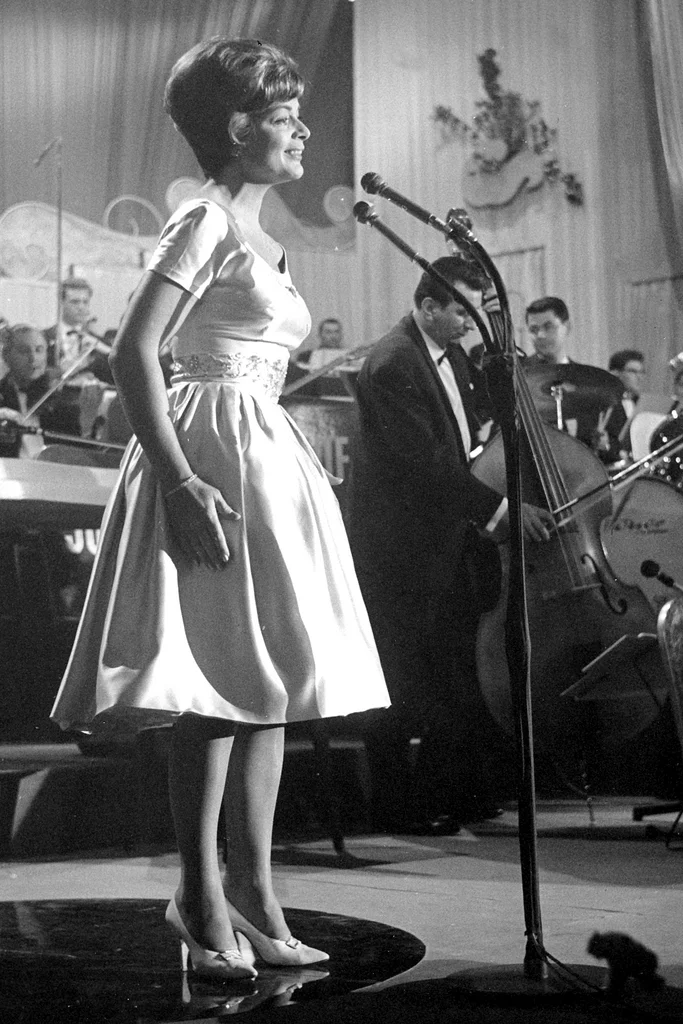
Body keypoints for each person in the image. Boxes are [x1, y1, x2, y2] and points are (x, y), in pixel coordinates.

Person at [51, 38, 389, 980]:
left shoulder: (259, 235)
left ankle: (253, 888)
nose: (302, 131)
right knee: (215, 680)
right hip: (210, 452)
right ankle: (200, 894)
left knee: (268, 679)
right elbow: (134, 352)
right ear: (238, 127)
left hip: (264, 453)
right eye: (285, 118)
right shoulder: (202, 220)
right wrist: (177, 479)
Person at [349, 255, 552, 835]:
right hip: (401, 548)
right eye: (460, 309)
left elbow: (467, 433)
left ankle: (451, 791)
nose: (469, 321)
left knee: (455, 671)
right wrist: (502, 509)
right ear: (428, 306)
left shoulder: (450, 351)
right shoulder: (393, 362)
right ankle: (396, 807)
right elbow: (427, 465)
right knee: (401, 678)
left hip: (443, 538)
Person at [524, 296, 622, 448]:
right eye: (534, 330)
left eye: (548, 327)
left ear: (567, 327)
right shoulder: (519, 376)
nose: (541, 335)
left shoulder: (593, 381)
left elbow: (616, 442)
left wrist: (605, 444)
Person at [0, 324, 81, 457]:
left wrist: (86, 423)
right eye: (24, 351)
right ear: (6, 356)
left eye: (39, 350)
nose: (33, 358)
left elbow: (76, 452)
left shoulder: (60, 398)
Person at [43, 277, 110, 377]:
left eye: (85, 302)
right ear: (61, 303)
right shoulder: (43, 337)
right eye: (75, 302)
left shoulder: (99, 343)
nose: (81, 307)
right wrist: (61, 370)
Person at [593, 349, 646, 466]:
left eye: (642, 372)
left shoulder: (641, 404)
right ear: (615, 373)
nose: (639, 377)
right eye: (633, 372)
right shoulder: (605, 404)